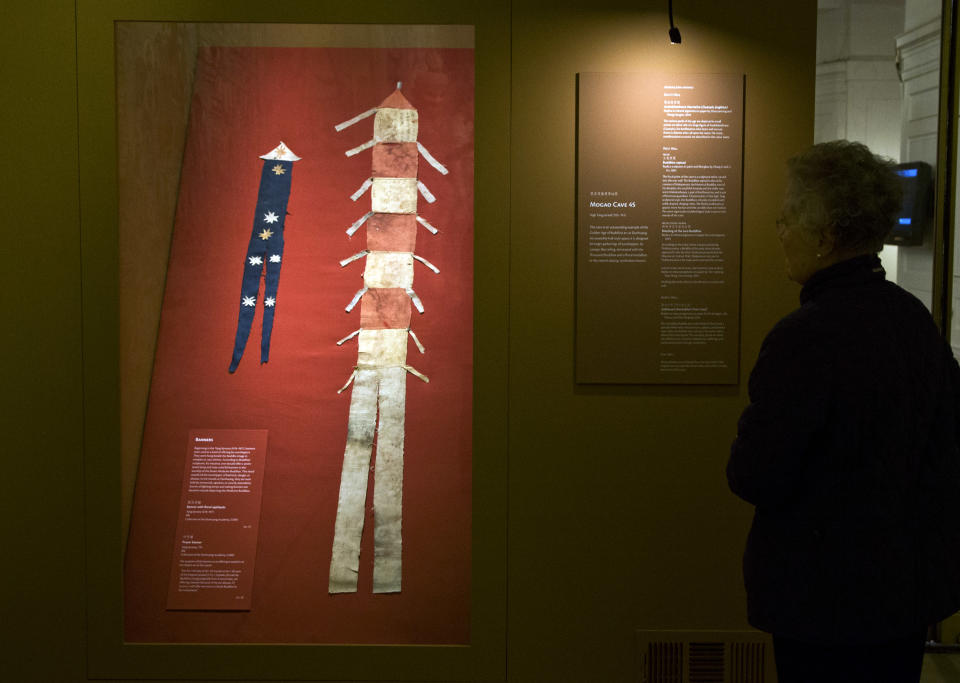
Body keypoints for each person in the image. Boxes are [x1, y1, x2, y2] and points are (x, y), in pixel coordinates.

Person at [727, 140, 960, 683]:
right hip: (900, 594)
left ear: (826, 234)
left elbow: (754, 474)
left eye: (789, 214)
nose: (779, 226)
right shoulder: (913, 320)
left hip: (820, 600)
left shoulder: (803, 338)